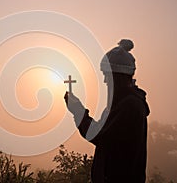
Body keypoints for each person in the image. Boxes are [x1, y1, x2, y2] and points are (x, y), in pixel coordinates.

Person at [64, 39, 150, 183]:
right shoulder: (120, 104)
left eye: (107, 75)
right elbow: (100, 131)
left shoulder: (129, 106)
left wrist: (78, 111)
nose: (105, 81)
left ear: (118, 77)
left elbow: (99, 136)